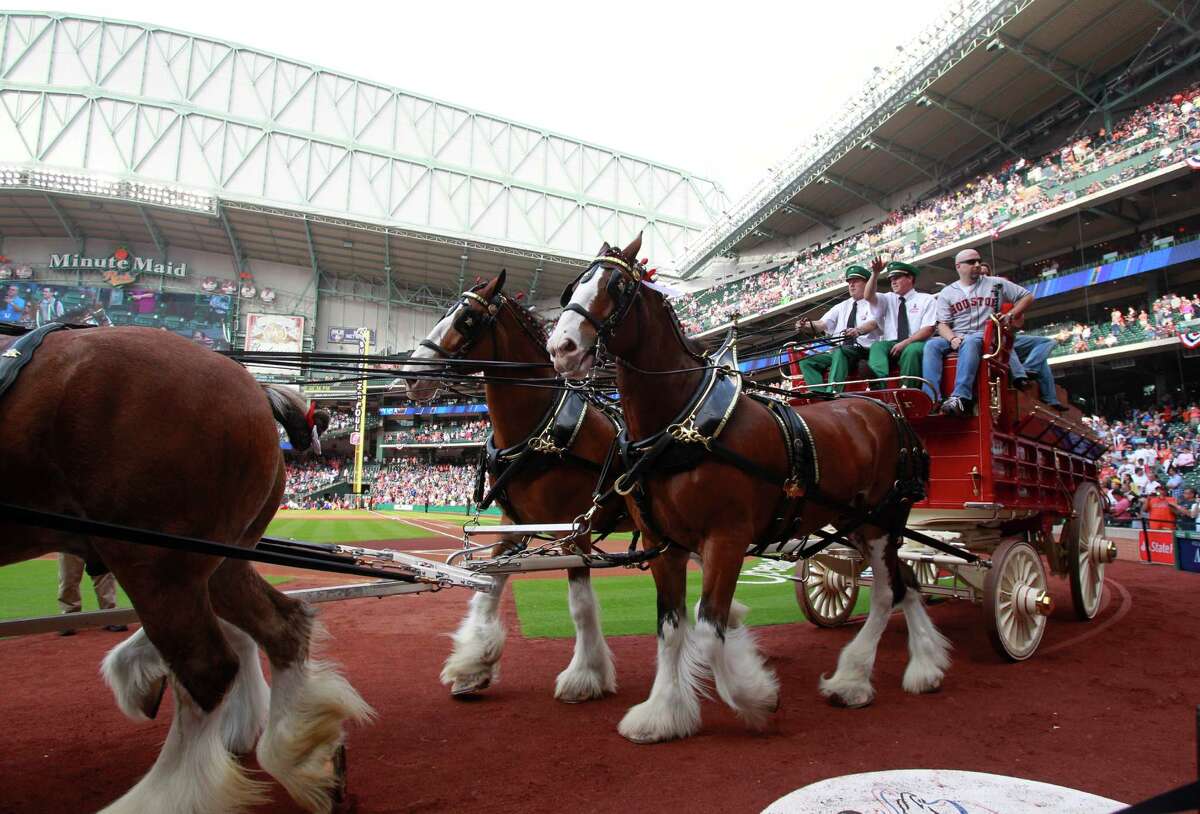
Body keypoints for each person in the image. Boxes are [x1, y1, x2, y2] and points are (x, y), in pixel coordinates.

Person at [921, 248, 1035, 416]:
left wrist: (1010, 314)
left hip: (984, 333)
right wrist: (952, 338)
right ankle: (931, 399)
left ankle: (961, 397)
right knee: (931, 345)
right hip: (958, 333)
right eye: (971, 262)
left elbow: (1027, 296)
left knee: (971, 341)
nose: (977, 264)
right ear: (959, 266)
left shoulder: (996, 283)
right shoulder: (948, 292)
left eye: (978, 261)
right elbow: (942, 324)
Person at [794, 265, 880, 394]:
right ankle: (819, 395)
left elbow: (874, 323)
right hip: (841, 351)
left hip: (865, 350)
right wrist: (805, 325)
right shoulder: (842, 306)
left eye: (856, 281)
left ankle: (833, 392)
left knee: (840, 351)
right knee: (807, 361)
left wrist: (857, 330)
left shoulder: (877, 301)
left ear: (868, 283)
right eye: (849, 282)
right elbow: (822, 324)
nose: (851, 285)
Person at [862, 258, 937, 389]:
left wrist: (906, 342)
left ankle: (907, 391)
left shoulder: (926, 299)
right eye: (891, 279)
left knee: (911, 350)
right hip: (892, 344)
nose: (893, 282)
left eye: (897, 278)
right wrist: (875, 273)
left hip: (916, 343)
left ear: (910, 278)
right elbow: (868, 296)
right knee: (878, 346)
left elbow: (928, 329)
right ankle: (877, 383)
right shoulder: (888, 298)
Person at [57, 552, 128, 637]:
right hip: (70, 541)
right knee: (68, 577)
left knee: (103, 573)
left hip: (96, 540)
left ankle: (110, 614)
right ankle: (69, 617)